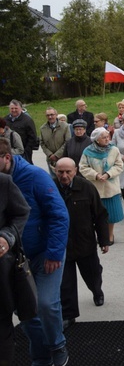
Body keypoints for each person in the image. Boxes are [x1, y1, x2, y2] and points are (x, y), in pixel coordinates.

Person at [0, 137, 70, 366]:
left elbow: (59, 215)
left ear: (6, 158)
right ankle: (40, 355)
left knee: (46, 304)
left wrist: (53, 253)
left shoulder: (34, 176)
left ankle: (58, 346)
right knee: (27, 311)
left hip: (45, 253)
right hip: (17, 258)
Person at [53, 158, 109, 330]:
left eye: (68, 172)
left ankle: (97, 291)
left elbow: (100, 214)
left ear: (75, 170)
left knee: (92, 274)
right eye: (60, 172)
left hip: (85, 243)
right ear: (55, 171)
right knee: (66, 283)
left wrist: (104, 240)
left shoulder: (86, 187)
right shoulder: (50, 189)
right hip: (62, 246)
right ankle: (69, 316)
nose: (64, 175)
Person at [0, 171, 30, 365]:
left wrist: (6, 237)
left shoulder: (3, 182)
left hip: (1, 272)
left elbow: (22, 211)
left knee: (2, 328)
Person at [79, 128, 124, 246]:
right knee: (96, 215)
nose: (107, 139)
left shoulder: (114, 149)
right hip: (95, 189)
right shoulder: (87, 151)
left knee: (111, 214)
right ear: (96, 139)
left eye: (108, 136)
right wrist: (96, 175)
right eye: (104, 137)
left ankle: (110, 234)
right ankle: (99, 234)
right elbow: (83, 167)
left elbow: (119, 165)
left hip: (110, 188)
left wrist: (108, 174)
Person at [40, 107, 71, 175]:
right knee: (54, 180)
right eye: (48, 115)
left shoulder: (65, 126)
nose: (50, 117)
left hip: (63, 158)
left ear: (56, 115)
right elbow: (42, 143)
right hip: (50, 160)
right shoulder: (43, 128)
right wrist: (50, 155)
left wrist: (57, 155)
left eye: (52, 114)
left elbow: (68, 142)